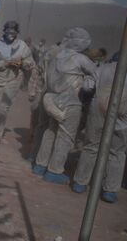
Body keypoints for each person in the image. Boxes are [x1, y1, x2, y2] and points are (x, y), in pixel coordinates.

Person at [72, 54, 127, 202]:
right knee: (117, 153)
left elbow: (87, 87)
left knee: (91, 147)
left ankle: (80, 183)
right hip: (122, 114)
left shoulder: (102, 68)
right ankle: (110, 190)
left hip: (98, 110)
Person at [33, 27, 96, 183]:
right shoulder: (80, 59)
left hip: (52, 99)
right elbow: (96, 76)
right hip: (70, 101)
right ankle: (54, 171)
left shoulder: (57, 55)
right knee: (66, 136)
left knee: (50, 131)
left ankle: (40, 165)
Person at [0, 21, 34, 146]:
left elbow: (30, 64)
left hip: (14, 79)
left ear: (17, 33)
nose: (10, 35)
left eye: (13, 32)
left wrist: (22, 63)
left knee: (3, 107)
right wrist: (6, 63)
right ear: (4, 32)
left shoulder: (23, 46)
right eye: (8, 32)